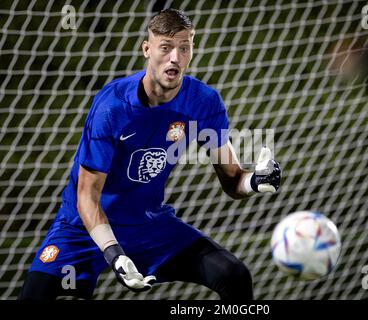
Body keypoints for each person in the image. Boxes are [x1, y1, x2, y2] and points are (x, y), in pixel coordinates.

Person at [19, 8, 281, 300]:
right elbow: (87, 196)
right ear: (147, 49)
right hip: (83, 229)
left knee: (234, 275)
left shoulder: (204, 102)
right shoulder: (113, 106)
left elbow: (233, 181)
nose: (175, 58)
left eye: (184, 48)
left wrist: (254, 181)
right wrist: (114, 253)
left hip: (147, 225)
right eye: (166, 48)